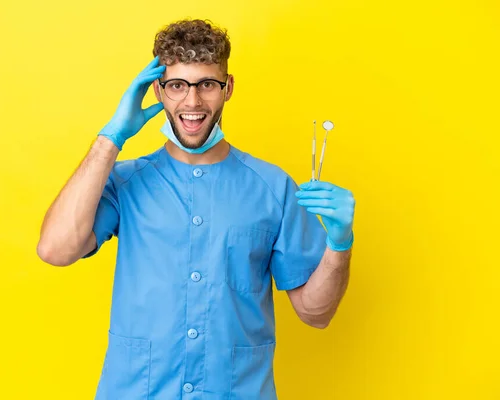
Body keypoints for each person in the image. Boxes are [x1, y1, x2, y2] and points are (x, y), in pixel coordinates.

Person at [37, 19, 355, 400]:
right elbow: (55, 250)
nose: (192, 102)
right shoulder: (124, 182)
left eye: (207, 84)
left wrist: (340, 244)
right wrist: (112, 137)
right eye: (177, 85)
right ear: (157, 91)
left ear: (228, 88)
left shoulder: (272, 187)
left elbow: (315, 313)